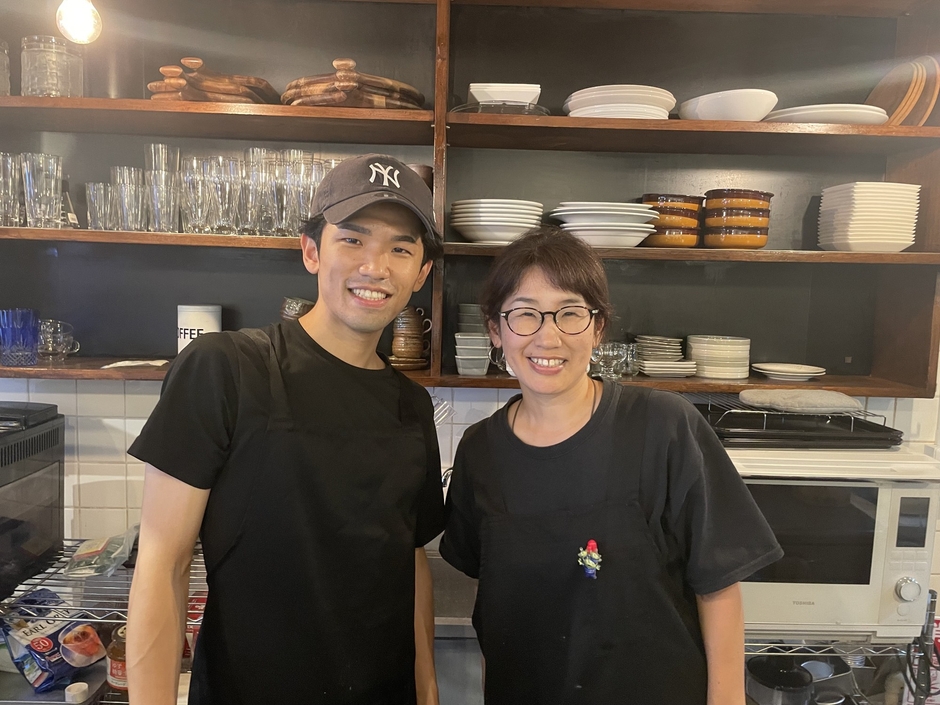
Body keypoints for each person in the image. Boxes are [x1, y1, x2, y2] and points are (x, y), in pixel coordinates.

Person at [126, 154, 446, 705]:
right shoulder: (226, 368)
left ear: (421, 273)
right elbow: (163, 562)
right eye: (353, 240)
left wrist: (428, 691)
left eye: (401, 249)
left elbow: (410, 562)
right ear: (311, 251)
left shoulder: (412, 405)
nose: (376, 267)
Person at [439, 226, 783, 705]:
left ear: (598, 328)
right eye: (524, 314)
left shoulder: (663, 426)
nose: (548, 336)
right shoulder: (480, 451)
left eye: (570, 313)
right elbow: (494, 602)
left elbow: (719, 587)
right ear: (496, 331)